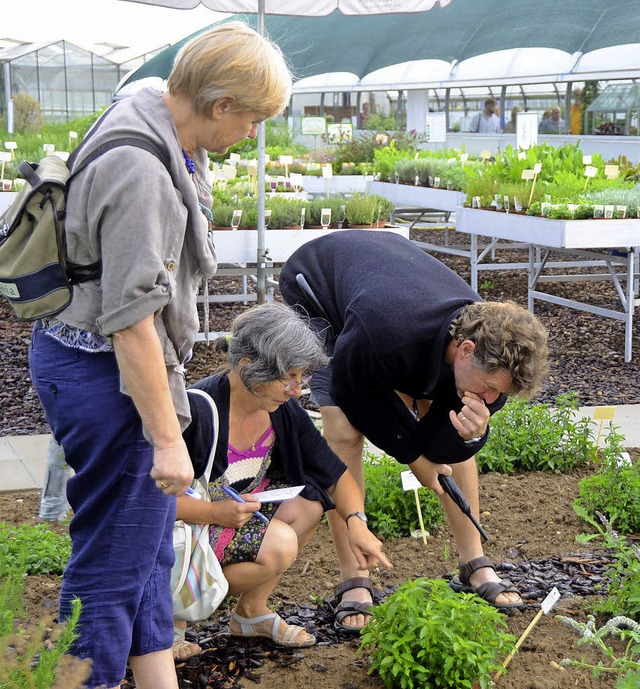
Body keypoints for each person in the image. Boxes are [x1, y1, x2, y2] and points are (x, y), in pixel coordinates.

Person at [28, 22, 293, 689]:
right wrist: (169, 438)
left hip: (99, 364)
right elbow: (132, 323)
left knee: (146, 553)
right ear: (219, 104)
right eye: (254, 118)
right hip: (106, 375)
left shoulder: (154, 104)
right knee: (110, 565)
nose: (254, 134)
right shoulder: (142, 170)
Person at [279, 231, 549, 632]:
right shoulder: (384, 331)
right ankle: (355, 578)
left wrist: (469, 435)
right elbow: (354, 392)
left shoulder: (487, 357)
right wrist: (414, 456)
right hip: (320, 283)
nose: (491, 397)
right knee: (344, 432)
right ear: (467, 350)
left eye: (498, 393)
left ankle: (473, 561)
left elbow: (446, 439)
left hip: (398, 304)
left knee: (443, 416)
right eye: (489, 387)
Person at [173, 302, 391, 658]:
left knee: (310, 502)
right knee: (280, 545)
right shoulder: (198, 409)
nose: (297, 390)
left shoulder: (282, 411)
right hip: (187, 531)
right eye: (289, 377)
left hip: (232, 520)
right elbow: (150, 502)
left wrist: (357, 523)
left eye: (301, 377)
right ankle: (174, 608)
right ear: (248, 368)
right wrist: (215, 514)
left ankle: (250, 613)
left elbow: (335, 474)